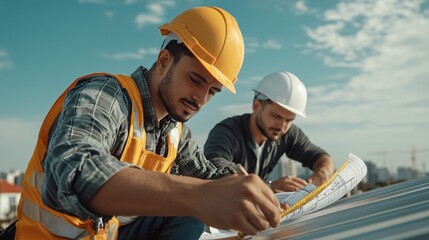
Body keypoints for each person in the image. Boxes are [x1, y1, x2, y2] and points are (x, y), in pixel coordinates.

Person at [14, 6, 282, 240]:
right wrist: (199, 196)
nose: (200, 98)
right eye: (195, 79)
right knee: (192, 206)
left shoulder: (175, 133)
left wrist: (260, 194)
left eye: (212, 91)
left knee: (187, 216)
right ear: (164, 61)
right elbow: (75, 170)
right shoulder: (105, 95)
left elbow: (210, 178)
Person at [204, 71, 335, 193]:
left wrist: (319, 178)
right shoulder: (227, 131)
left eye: (289, 120)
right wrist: (268, 187)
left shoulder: (287, 133)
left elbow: (322, 158)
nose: (282, 126)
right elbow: (215, 170)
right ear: (256, 106)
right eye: (276, 116)